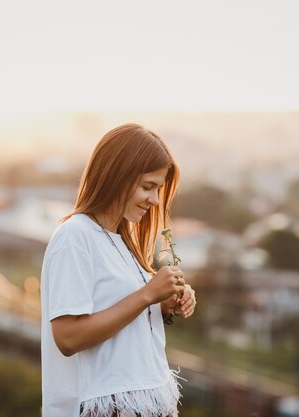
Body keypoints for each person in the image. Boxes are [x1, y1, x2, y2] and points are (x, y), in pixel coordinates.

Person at [40, 123, 197, 417]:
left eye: (158, 189)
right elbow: (68, 337)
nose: (154, 200)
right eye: (147, 187)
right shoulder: (75, 236)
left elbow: (123, 316)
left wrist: (163, 304)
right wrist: (147, 294)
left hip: (143, 406)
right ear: (116, 177)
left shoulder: (124, 241)